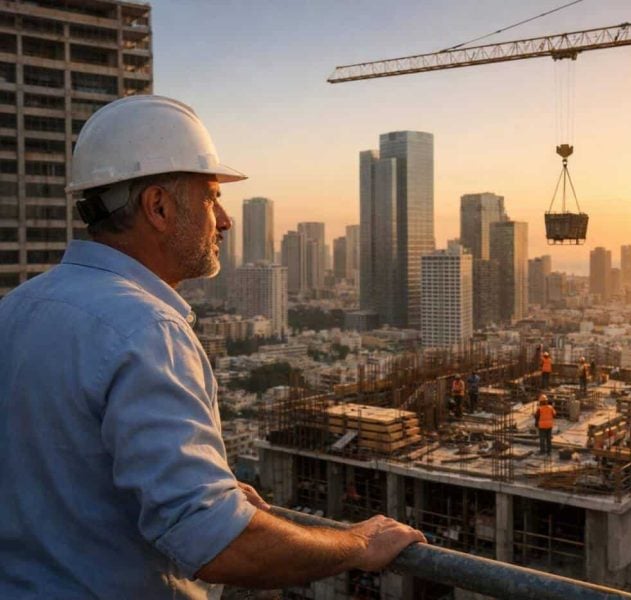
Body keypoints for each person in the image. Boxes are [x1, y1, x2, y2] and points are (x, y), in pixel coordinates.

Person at [0, 95, 425, 598]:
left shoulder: (18, 307)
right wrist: (354, 544)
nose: (224, 220)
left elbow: (60, 475)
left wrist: (201, 487)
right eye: (211, 198)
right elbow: (217, 544)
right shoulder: (146, 329)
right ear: (157, 207)